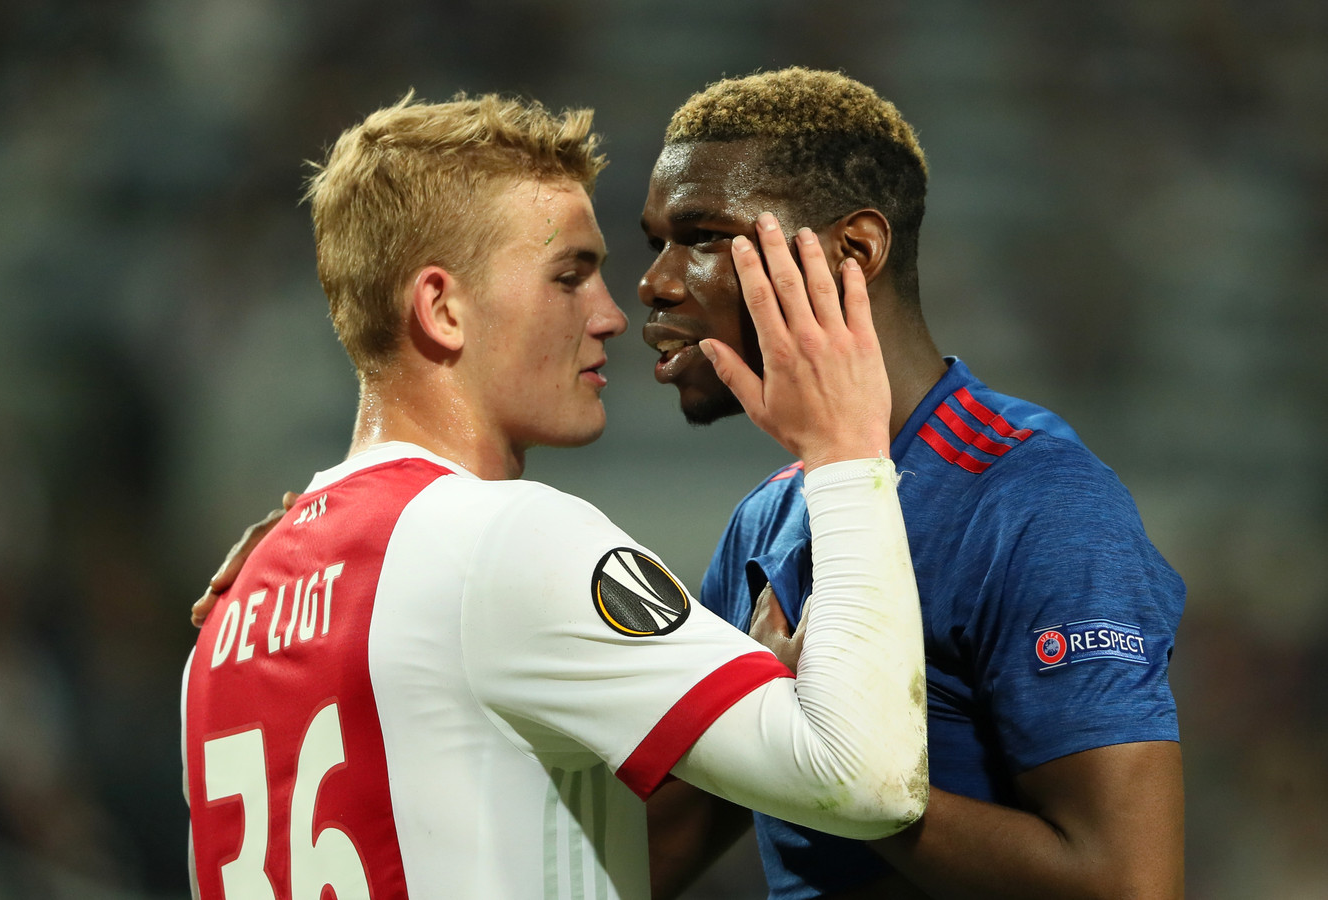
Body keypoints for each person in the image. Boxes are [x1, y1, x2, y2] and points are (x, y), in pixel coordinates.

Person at [181, 91, 930, 900]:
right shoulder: (507, 538)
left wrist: (735, 713)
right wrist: (846, 450)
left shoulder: (228, 620)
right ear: (442, 308)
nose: (611, 315)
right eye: (569, 276)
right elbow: (868, 781)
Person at [637, 68, 1185, 899]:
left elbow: (1126, 884)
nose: (656, 281)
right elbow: (644, 859)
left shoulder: (1034, 500)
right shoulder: (767, 521)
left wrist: (828, 756)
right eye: (657, 243)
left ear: (855, 250)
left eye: (705, 236)